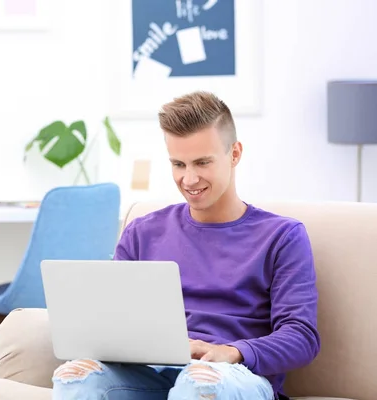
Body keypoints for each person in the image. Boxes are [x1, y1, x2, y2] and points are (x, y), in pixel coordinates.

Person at [51, 91, 320, 400]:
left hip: (232, 376)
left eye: (202, 162)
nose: (189, 179)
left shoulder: (282, 236)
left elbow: (301, 337)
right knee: (75, 377)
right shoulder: (142, 232)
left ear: (234, 154)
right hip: (152, 374)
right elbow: (115, 323)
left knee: (198, 383)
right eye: (178, 164)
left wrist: (232, 351)